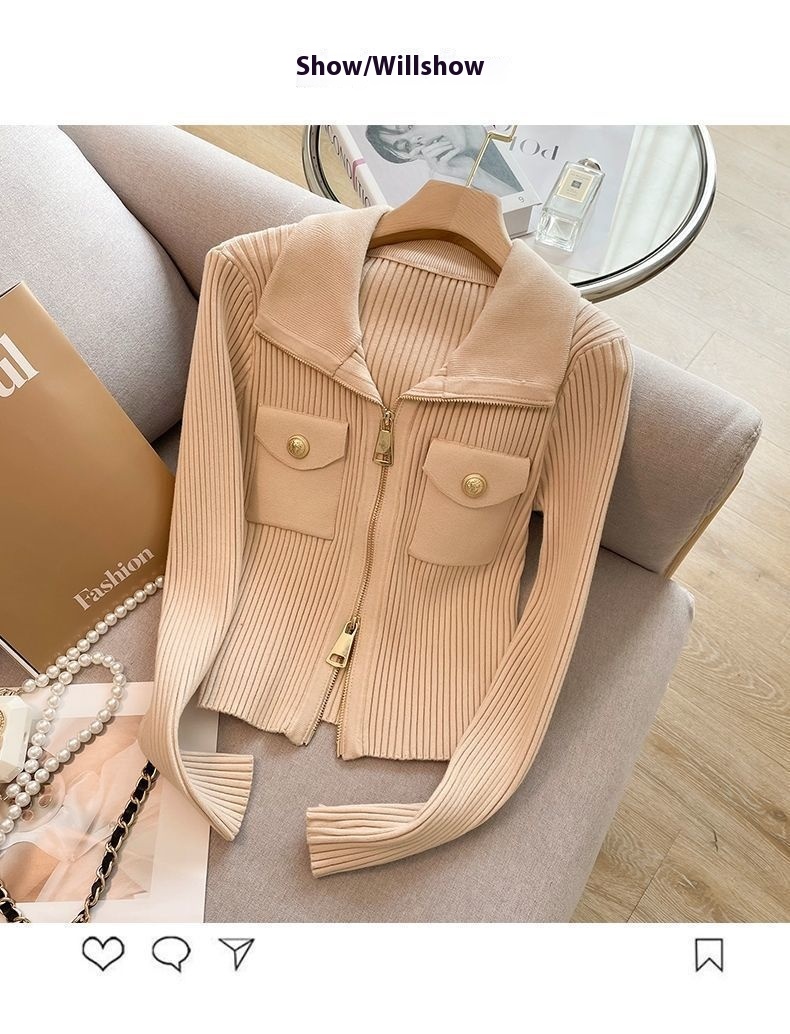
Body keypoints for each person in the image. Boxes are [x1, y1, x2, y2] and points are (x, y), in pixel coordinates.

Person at [365, 125, 522, 197]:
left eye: (410, 126)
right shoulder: (469, 184)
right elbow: (530, 217)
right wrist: (475, 174)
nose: (417, 141)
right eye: (406, 146)